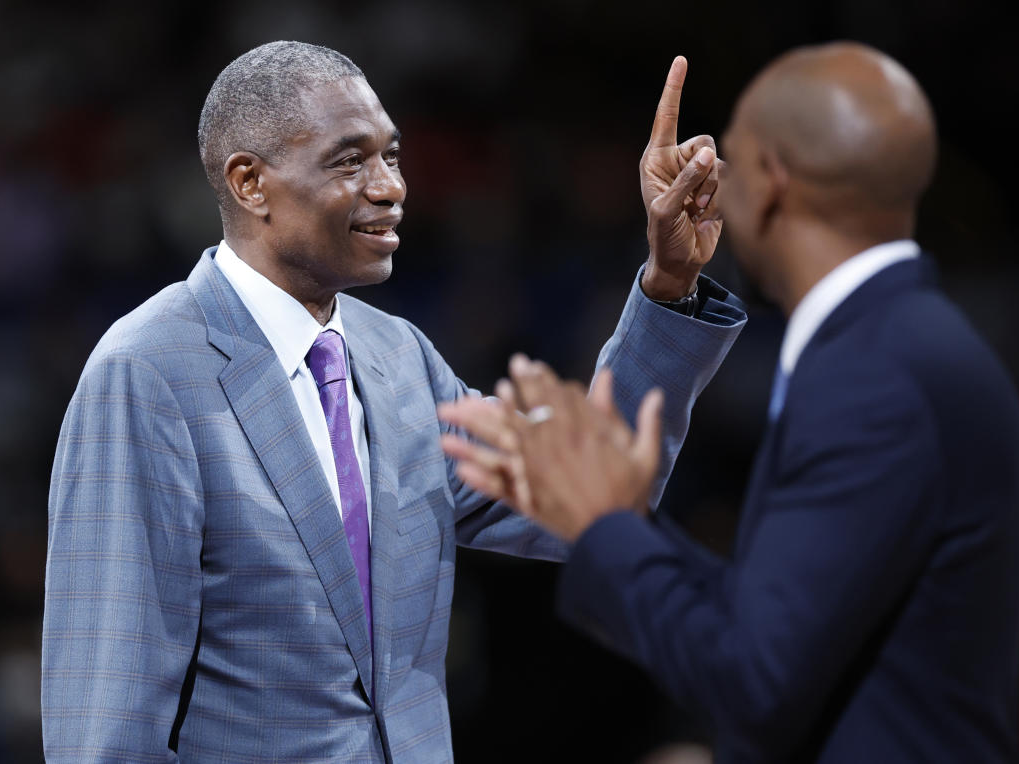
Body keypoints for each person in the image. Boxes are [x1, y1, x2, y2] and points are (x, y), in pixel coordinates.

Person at [41, 40, 746, 762]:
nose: (391, 186)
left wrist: (668, 284)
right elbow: (109, 721)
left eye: (393, 155)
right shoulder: (149, 372)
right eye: (351, 161)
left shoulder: (398, 359)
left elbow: (588, 492)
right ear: (251, 184)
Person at [438, 41, 1019, 762]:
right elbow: (796, 629)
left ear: (771, 182)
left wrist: (606, 523)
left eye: (734, 160)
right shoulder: (913, 344)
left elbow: (753, 682)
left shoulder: (876, 377)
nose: (714, 178)